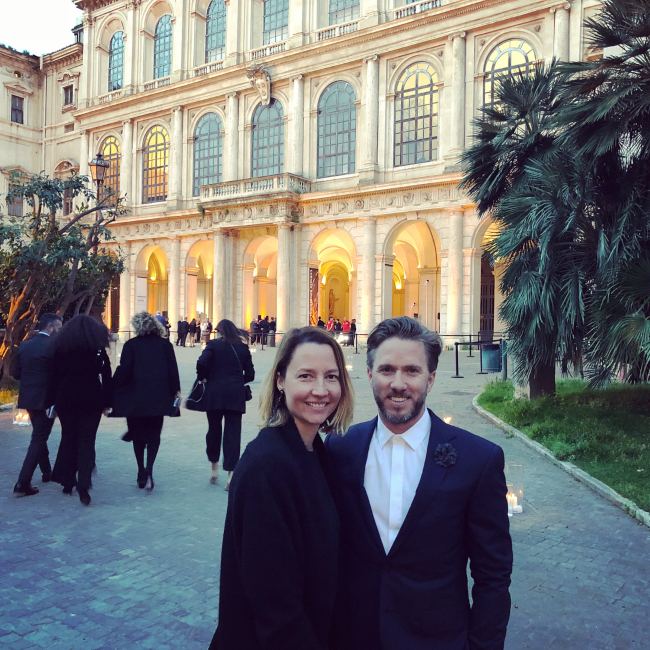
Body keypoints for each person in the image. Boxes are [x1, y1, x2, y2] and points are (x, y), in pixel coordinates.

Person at [326, 317, 513, 650]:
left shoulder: (477, 460)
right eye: (386, 370)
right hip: (353, 636)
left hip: (438, 639)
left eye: (412, 371)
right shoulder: (341, 449)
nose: (398, 383)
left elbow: (493, 576)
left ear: (431, 378)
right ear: (370, 375)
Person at [210, 326, 354, 649]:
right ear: (280, 380)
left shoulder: (316, 452)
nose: (321, 389)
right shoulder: (267, 467)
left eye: (331, 376)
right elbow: (275, 608)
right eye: (305, 376)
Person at [111, 312, 181, 491]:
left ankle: (141, 470)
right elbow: (172, 371)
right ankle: (150, 470)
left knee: (138, 436)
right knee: (154, 435)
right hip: (158, 397)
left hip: (135, 399)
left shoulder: (131, 345)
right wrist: (175, 392)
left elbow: (124, 371)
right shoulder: (165, 345)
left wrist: (113, 388)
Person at [50, 315, 113, 506]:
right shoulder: (97, 350)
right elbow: (107, 376)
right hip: (91, 399)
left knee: (69, 437)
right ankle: (84, 485)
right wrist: (107, 401)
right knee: (87, 440)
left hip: (66, 399)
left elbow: (53, 377)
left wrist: (51, 401)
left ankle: (68, 481)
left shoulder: (61, 349)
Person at [194, 319, 255, 490]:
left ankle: (214, 467)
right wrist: (237, 380)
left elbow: (201, 363)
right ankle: (231, 475)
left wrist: (204, 377)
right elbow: (250, 374)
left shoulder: (213, 345)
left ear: (219, 331)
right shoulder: (242, 348)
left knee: (213, 430)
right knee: (233, 434)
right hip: (235, 395)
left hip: (214, 394)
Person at [12, 313, 63, 497]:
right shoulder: (55, 346)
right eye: (59, 326)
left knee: (39, 435)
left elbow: (15, 373)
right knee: (39, 438)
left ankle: (46, 471)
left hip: (29, 399)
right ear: (51, 327)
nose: (60, 330)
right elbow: (59, 376)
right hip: (47, 400)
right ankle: (22, 482)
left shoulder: (25, 346)